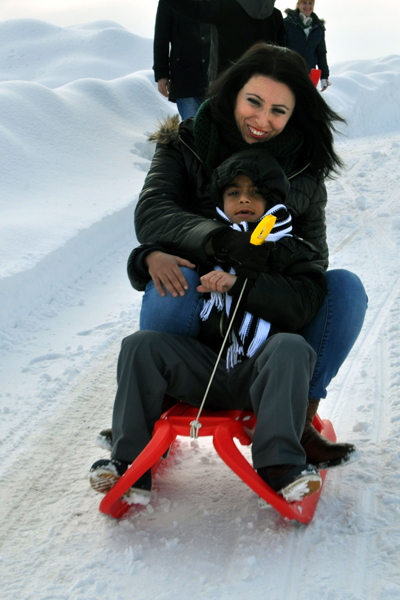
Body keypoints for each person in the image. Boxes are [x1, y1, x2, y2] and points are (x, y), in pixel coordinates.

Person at [130, 42, 367, 470]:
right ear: (233, 93)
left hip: (265, 323)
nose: (262, 120)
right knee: (171, 277)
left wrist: (260, 269)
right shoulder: (185, 144)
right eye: (253, 102)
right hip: (199, 304)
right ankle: (157, 408)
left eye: (279, 110)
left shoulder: (304, 174)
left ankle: (295, 416)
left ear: (295, 115)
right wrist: (218, 241)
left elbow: (312, 264)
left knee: (345, 289)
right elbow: (154, 213)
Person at [90, 149, 339, 502]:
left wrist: (241, 285)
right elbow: (153, 251)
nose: (244, 200)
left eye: (255, 193)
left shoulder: (294, 251)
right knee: (140, 344)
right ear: (221, 200)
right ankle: (129, 461)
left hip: (263, 373)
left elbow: (301, 305)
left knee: (292, 345)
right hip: (206, 370)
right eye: (234, 193)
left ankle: (281, 466)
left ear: (272, 201)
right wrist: (147, 256)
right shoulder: (211, 243)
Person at [160, 0, 285, 79]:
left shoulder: (226, 7)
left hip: (226, 85)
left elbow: (194, 8)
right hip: (262, 87)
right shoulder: (276, 16)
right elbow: (280, 56)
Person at [153, 1, 210, 119]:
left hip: (217, 78)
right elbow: (161, 37)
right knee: (191, 132)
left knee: (217, 132)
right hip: (185, 79)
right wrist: (162, 74)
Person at [284, 1, 330, 91]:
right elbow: (279, 48)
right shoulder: (287, 24)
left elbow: (321, 54)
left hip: (309, 76)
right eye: (304, 3)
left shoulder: (318, 27)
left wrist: (324, 76)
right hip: (289, 73)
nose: (308, 6)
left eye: (310, 3)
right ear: (298, 4)